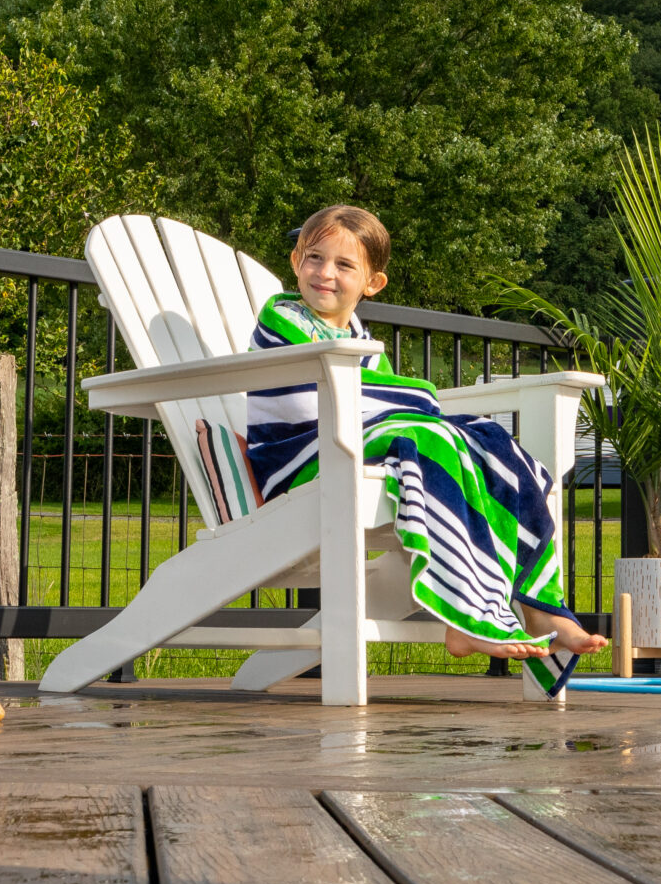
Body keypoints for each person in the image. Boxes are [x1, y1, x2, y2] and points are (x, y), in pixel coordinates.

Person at [244, 205, 607, 690]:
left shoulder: (357, 337)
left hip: (349, 445)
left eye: (344, 265)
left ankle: (540, 609)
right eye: (314, 258)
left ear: (373, 283)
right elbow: (381, 400)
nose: (325, 273)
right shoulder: (281, 317)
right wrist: (416, 401)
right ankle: (464, 623)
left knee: (495, 444)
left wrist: (412, 404)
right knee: (432, 435)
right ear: (295, 261)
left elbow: (381, 402)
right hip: (300, 459)